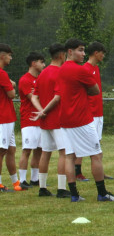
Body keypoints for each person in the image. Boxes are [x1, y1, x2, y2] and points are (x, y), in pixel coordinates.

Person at [36, 39, 114, 202]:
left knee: (69, 156)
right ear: (69, 52)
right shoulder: (80, 70)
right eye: (80, 50)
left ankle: (74, 194)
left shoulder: (61, 70)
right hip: (81, 119)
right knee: (96, 154)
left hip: (64, 120)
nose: (83, 54)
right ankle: (102, 193)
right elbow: (95, 90)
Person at [33, 43, 69, 198]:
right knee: (63, 152)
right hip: (58, 119)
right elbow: (57, 97)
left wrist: (41, 111)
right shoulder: (60, 72)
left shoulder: (42, 73)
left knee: (46, 153)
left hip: (45, 121)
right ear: (62, 55)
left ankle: (42, 188)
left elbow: (34, 96)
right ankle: (61, 189)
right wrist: (45, 111)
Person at [74, 41, 108, 181]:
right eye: (102, 53)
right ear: (96, 53)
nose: (103, 56)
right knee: (84, 143)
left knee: (97, 143)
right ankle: (77, 172)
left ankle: (100, 171)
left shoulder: (96, 68)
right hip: (89, 113)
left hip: (98, 113)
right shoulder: (85, 68)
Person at [17, 51, 46, 190]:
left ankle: (34, 179)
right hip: (29, 119)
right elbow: (32, 98)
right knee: (27, 150)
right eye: (41, 62)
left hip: (40, 120)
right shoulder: (25, 80)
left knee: (39, 150)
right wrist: (43, 110)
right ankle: (22, 180)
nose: (43, 65)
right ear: (33, 63)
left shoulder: (40, 79)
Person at [0, 43, 19, 192]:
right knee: (1, 150)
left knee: (11, 149)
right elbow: (12, 94)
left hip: (8, 117)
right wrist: (12, 84)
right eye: (9, 55)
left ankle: (16, 183)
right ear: (2, 55)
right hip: (3, 118)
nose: (11, 58)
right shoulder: (2, 73)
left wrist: (10, 84)